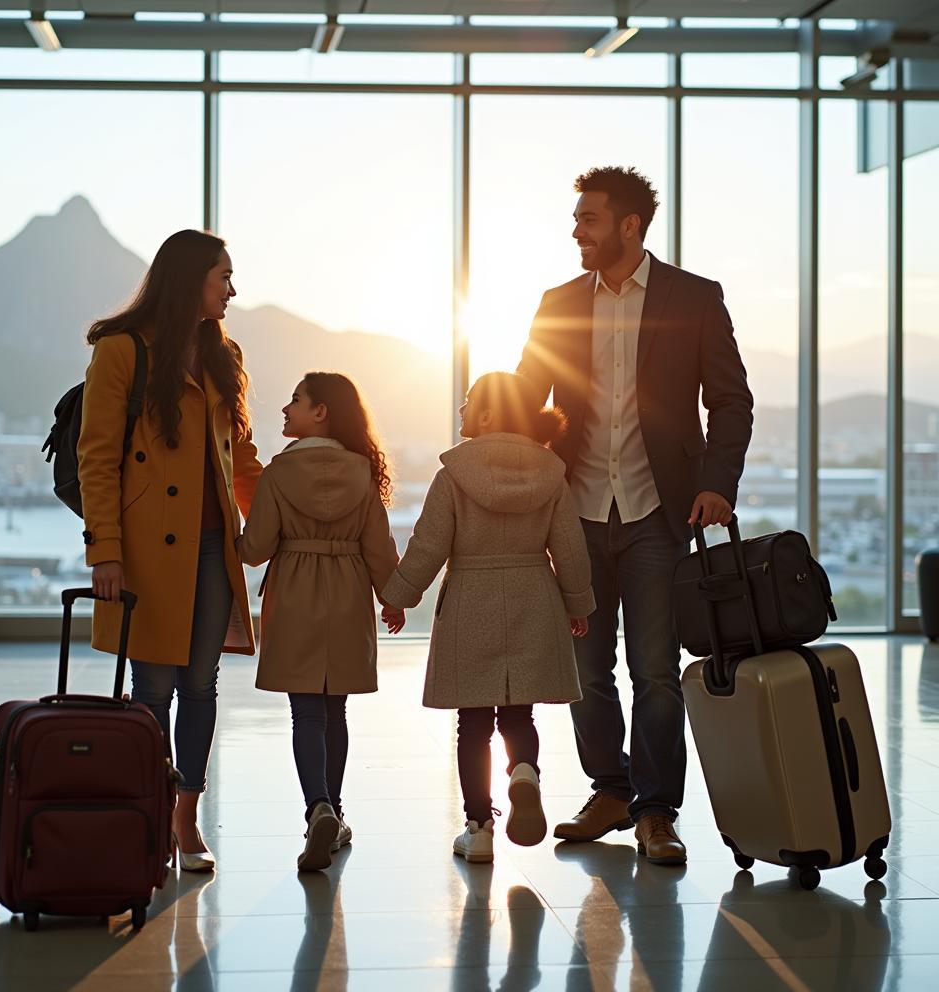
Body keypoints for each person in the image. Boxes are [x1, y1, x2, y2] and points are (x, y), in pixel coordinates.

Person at [518, 166, 754, 865]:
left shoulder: (695, 297)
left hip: (658, 511)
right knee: (585, 671)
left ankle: (657, 813)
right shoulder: (558, 302)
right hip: (578, 513)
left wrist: (717, 482)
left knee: (654, 670)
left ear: (628, 226)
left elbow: (731, 401)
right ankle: (611, 789)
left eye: (588, 218)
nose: (576, 231)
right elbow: (528, 398)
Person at [79, 229, 263, 872]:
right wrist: (105, 551)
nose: (233, 290)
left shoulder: (222, 352)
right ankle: (151, 813)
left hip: (214, 546)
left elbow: (240, 455)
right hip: (146, 550)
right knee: (153, 685)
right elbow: (96, 457)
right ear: (191, 280)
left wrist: (272, 519)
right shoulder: (121, 350)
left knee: (201, 683)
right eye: (224, 277)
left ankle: (186, 818)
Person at [382, 371, 595, 865]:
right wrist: (578, 603)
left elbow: (427, 546)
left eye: (468, 402)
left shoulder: (453, 474)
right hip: (533, 595)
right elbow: (570, 548)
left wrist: (399, 596)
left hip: (470, 601)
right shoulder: (551, 473)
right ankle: (523, 771)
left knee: (472, 724)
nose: (460, 411)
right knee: (519, 713)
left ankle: (478, 830)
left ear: (488, 415)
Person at [237, 372, 401, 872]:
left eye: (295, 400)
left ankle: (318, 808)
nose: (286, 409)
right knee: (336, 713)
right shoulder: (362, 471)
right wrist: (392, 599)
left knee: (305, 713)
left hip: (296, 594)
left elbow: (256, 548)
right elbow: (379, 548)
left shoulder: (280, 472)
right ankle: (337, 810)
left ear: (321, 411)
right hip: (350, 592)